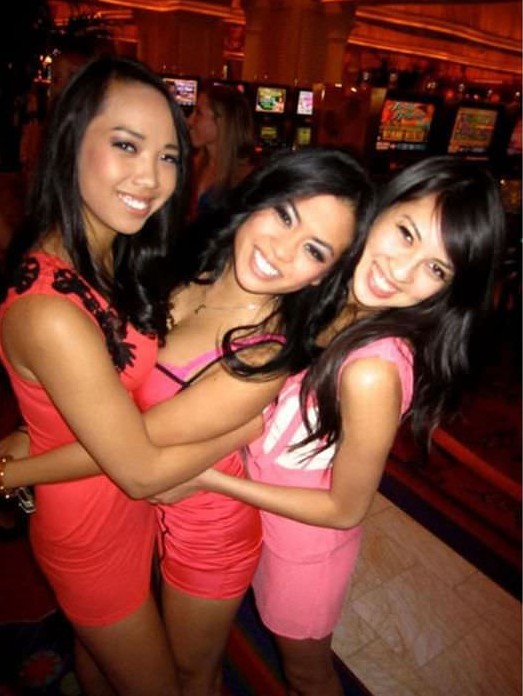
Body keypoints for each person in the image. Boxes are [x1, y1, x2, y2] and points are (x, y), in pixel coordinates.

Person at [0, 146, 375, 695]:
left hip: (209, 534)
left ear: (324, 276)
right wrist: (29, 430)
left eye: (314, 250)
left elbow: (136, 449)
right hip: (142, 509)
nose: (282, 249)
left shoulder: (261, 356)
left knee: (188, 673)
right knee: (104, 645)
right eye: (284, 214)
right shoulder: (184, 267)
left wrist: (13, 473)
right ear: (256, 201)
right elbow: (109, 387)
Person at [156, 156, 506, 695]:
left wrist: (210, 479)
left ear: (448, 291)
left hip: (302, 552)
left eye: (436, 269)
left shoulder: (372, 370)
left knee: (306, 673)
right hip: (256, 518)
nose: (402, 271)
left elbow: (346, 509)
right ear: (379, 210)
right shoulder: (330, 298)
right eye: (406, 233)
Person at [187, 83, 256, 219]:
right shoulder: (193, 164)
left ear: (222, 121)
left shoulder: (247, 178)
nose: (189, 121)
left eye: (198, 113)